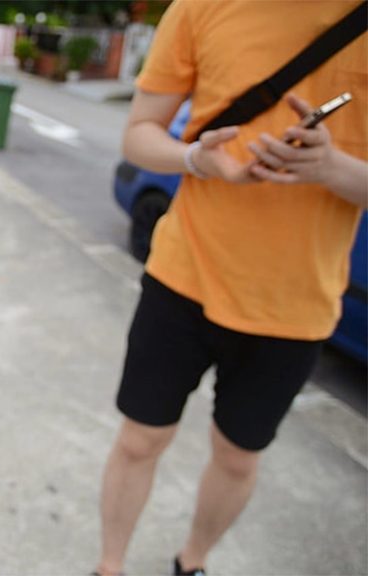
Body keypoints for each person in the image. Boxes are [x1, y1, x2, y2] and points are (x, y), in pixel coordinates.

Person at [95, 2, 367, 575]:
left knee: (239, 457)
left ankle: (192, 562)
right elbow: (139, 134)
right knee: (140, 440)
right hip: (182, 277)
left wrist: (332, 167)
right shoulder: (201, 7)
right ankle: (109, 566)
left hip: (296, 305)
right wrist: (196, 158)